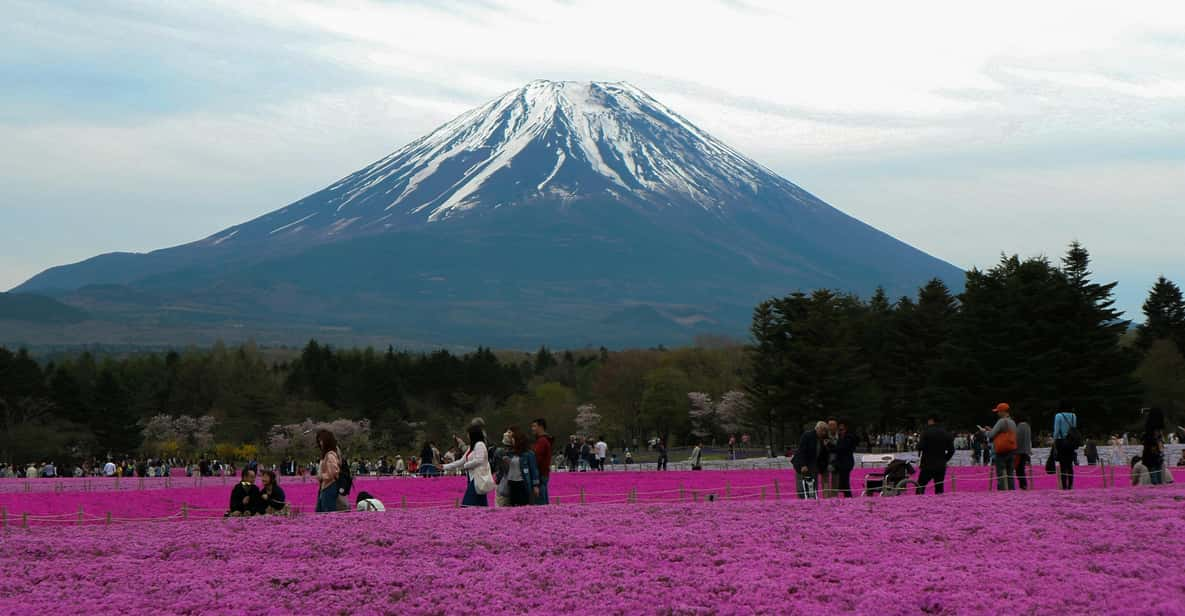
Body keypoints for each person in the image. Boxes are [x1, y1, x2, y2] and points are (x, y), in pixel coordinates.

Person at [443, 424, 490, 507]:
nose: (467, 436)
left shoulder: (480, 445)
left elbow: (479, 460)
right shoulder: (471, 447)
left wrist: (466, 465)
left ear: (473, 434)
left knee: (467, 504)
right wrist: (444, 466)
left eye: (468, 433)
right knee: (481, 505)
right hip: (472, 477)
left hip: (478, 478)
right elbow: (461, 461)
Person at [917, 415, 955, 495]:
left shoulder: (926, 432)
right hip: (941, 464)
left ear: (931, 420)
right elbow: (951, 450)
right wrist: (945, 459)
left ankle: (919, 503)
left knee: (920, 486)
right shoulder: (946, 433)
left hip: (927, 463)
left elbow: (920, 446)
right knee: (939, 487)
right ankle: (938, 505)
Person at [502, 426, 541, 506]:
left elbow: (534, 470)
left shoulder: (529, 454)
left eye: (513, 439)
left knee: (523, 505)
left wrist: (535, 485)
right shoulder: (510, 453)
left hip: (522, 483)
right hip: (511, 483)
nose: (512, 441)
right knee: (512, 506)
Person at [791, 422, 827, 499]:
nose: (823, 432)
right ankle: (802, 500)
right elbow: (802, 450)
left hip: (813, 465)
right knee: (802, 485)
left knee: (813, 485)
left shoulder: (822, 439)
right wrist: (803, 465)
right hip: (802, 464)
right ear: (817, 428)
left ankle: (813, 500)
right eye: (822, 430)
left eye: (824, 431)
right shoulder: (807, 435)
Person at [987, 403, 1017, 491]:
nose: (997, 413)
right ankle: (1012, 492)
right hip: (1011, 449)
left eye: (998, 411)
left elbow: (991, 435)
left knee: (1001, 474)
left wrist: (985, 432)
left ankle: (1002, 493)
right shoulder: (1012, 422)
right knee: (1010, 474)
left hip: (1001, 450)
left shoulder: (1001, 421)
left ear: (1003, 411)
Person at [315, 429, 344, 513]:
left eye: (322, 441)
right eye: (319, 441)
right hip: (325, 486)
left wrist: (321, 476)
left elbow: (334, 472)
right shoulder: (327, 454)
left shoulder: (330, 455)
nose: (320, 443)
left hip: (329, 486)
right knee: (321, 511)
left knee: (327, 511)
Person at [1053, 402, 1080, 490]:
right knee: (1070, 464)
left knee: (1063, 465)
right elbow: (1074, 429)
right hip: (1071, 442)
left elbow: (1056, 431)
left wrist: (1054, 441)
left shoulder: (1058, 416)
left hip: (1061, 441)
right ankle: (1070, 485)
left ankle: (1064, 485)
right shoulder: (1073, 416)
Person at [530, 418, 553, 505]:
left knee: (540, 501)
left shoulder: (542, 441)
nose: (532, 428)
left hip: (540, 474)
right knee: (543, 500)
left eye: (534, 426)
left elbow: (536, 458)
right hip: (543, 473)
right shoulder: (543, 440)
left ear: (541, 427)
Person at [832, 419, 857, 498]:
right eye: (839, 430)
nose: (840, 431)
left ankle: (848, 497)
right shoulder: (841, 438)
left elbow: (841, 449)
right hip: (841, 462)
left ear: (846, 429)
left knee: (845, 482)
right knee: (843, 482)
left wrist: (830, 446)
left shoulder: (849, 438)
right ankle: (846, 497)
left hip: (846, 463)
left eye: (841, 429)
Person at [1014, 414, 1033, 490]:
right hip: (1025, 450)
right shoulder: (1028, 426)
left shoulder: (1020, 426)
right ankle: (1023, 484)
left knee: (1019, 468)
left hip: (1019, 451)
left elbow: (1017, 438)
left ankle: (1023, 484)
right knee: (1021, 467)